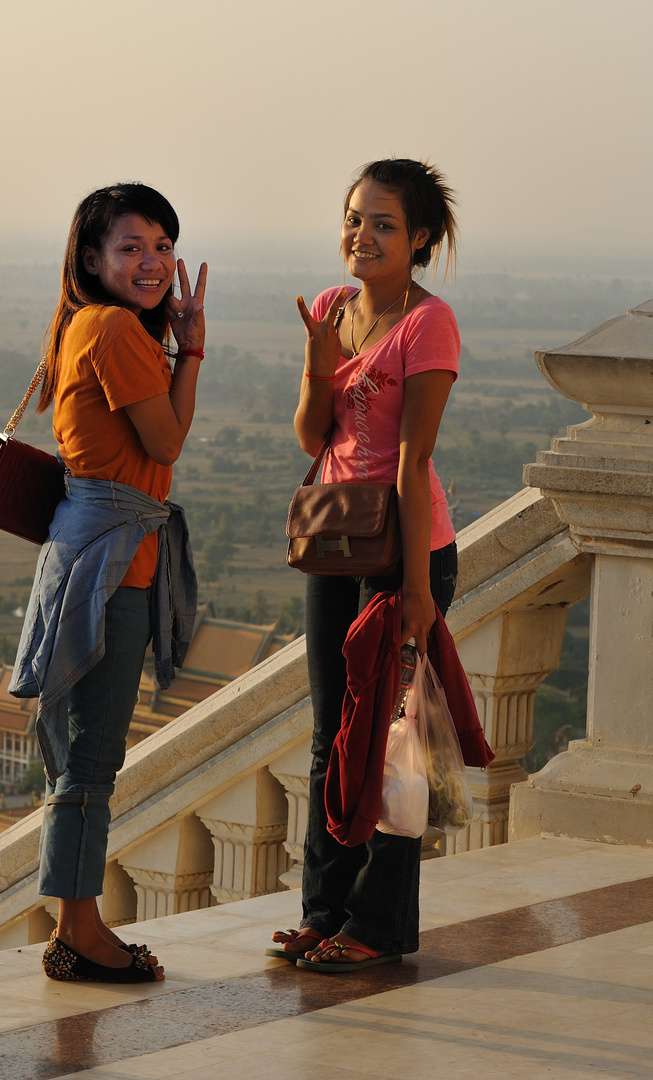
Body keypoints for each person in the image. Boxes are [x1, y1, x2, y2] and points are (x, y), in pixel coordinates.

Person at [11, 183, 207, 983]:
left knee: (81, 756)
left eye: (163, 245)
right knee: (92, 760)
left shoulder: (83, 325)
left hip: (88, 549)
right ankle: (80, 933)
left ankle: (76, 923)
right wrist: (190, 350)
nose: (153, 261)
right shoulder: (119, 331)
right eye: (131, 247)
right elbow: (166, 442)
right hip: (109, 565)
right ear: (92, 259)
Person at [270, 158, 460, 971]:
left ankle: (379, 927)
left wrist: (417, 588)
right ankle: (324, 911)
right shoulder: (329, 308)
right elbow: (314, 438)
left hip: (405, 549)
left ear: (418, 239)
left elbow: (414, 460)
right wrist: (320, 357)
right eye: (354, 218)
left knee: (390, 742)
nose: (363, 235)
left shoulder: (429, 323)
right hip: (336, 542)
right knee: (329, 737)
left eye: (384, 223)